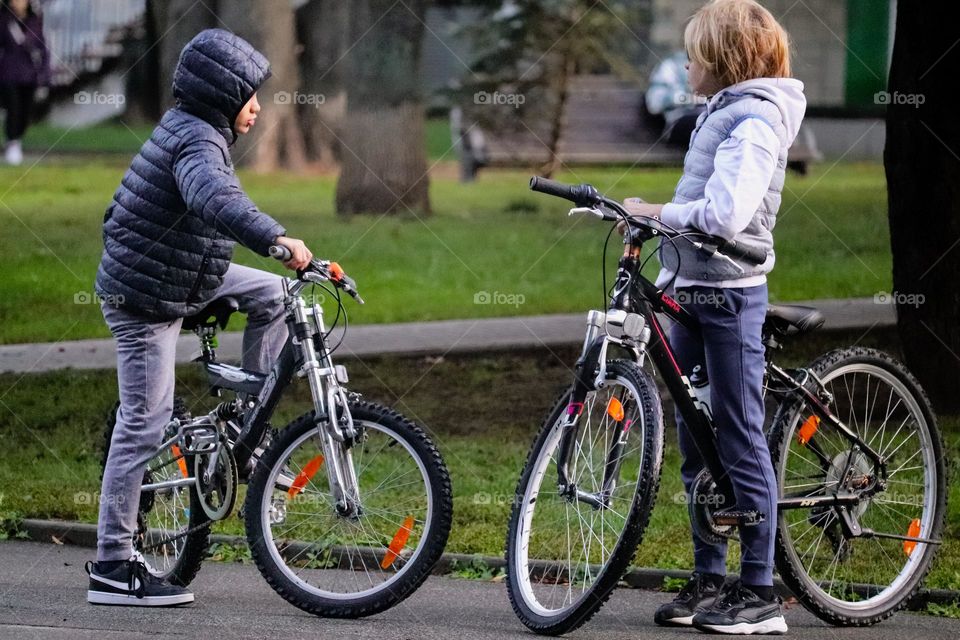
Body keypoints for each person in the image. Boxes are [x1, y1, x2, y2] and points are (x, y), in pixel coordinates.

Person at [86, 29, 314, 607]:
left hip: (186, 274)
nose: (256, 107)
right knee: (145, 421)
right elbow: (214, 199)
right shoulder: (196, 142)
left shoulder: (198, 130)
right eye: (248, 95)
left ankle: (249, 430)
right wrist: (276, 238)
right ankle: (111, 566)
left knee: (278, 296)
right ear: (220, 95)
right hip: (144, 296)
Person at [621, 0, 805, 634]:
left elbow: (725, 215)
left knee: (737, 432)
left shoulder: (753, 120)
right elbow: (697, 204)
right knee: (696, 435)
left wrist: (658, 212)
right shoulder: (719, 113)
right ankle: (710, 578)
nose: (685, 66)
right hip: (692, 291)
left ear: (724, 60)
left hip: (729, 296)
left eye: (693, 55)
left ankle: (759, 591)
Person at [0, 0, 49, 165]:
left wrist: (44, 74)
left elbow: (42, 48)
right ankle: (12, 142)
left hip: (29, 75)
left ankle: (17, 139)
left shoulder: (35, 21)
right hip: (8, 74)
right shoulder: (4, 20)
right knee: (13, 109)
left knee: (25, 111)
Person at [643, 50, 705, 147]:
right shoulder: (671, 64)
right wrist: (689, 99)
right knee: (704, 125)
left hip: (706, 119)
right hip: (680, 122)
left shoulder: (710, 61)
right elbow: (654, 103)